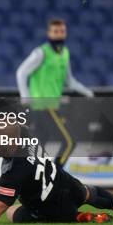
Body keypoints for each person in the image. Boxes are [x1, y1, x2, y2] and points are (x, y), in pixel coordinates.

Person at [16, 18, 94, 166]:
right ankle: (56, 176)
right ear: (49, 33)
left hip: (52, 105)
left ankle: (33, 179)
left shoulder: (65, 53)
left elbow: (70, 81)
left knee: (37, 146)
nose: (59, 34)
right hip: (44, 105)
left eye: (62, 31)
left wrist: (87, 92)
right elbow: (21, 72)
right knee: (70, 142)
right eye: (55, 31)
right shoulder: (41, 53)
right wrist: (25, 95)